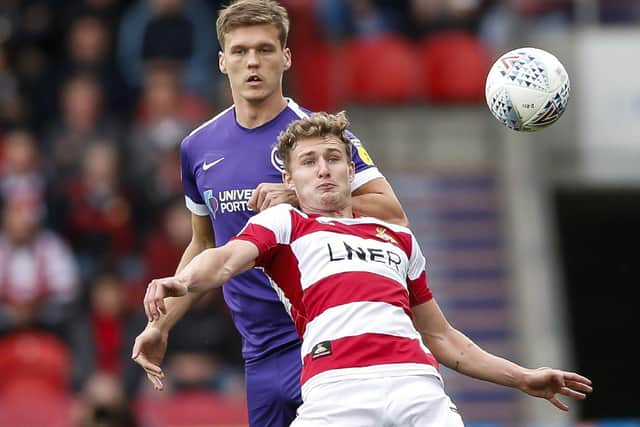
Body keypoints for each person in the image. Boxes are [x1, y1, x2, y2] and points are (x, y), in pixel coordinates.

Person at [141, 111, 593, 426]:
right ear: (289, 180)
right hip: (336, 389)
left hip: (417, 387)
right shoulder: (285, 223)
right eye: (308, 162)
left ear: (349, 168)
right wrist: (180, 281)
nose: (323, 170)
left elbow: (442, 337)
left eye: (333, 159)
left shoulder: (397, 237)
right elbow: (222, 260)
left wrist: (523, 377)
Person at [131, 1, 408, 426]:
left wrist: (301, 197)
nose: (253, 62)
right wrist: (161, 325)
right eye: (240, 51)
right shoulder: (198, 147)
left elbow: (392, 213)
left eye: (264, 49)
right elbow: (204, 244)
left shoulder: (320, 136)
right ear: (222, 61)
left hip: (323, 341)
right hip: (257, 355)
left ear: (286, 57)